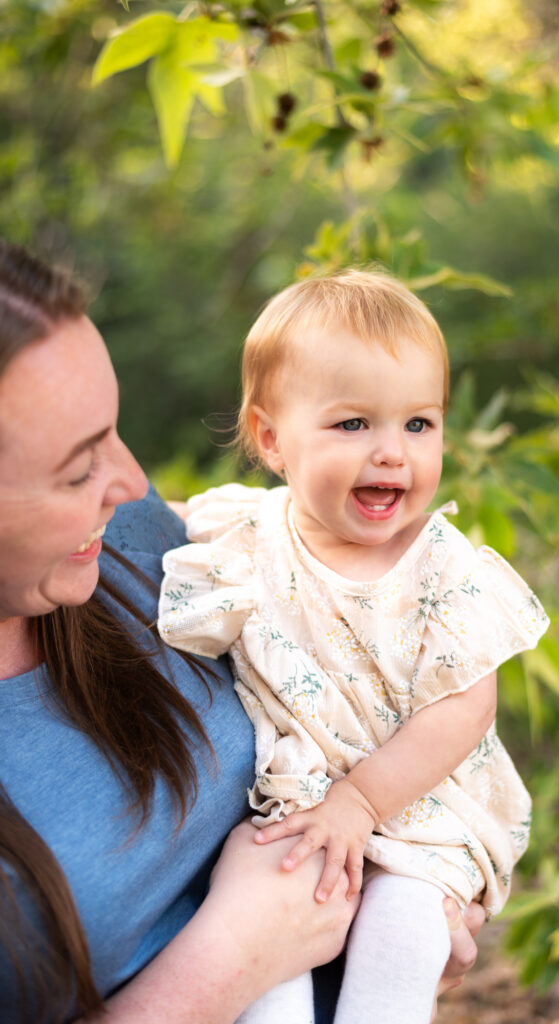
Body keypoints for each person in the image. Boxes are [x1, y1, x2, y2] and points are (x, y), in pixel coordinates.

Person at [0, 242, 482, 1024]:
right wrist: (233, 962)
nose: (131, 484)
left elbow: (413, 691)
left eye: (115, 435)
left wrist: (410, 885)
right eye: (76, 468)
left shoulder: (129, 541)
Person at [158, 270, 550, 1024]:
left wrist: (361, 804)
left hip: (419, 809)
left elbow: (465, 709)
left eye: (418, 424)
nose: (391, 454)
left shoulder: (441, 567)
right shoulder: (249, 532)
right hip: (296, 811)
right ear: (271, 438)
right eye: (352, 425)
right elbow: (145, 511)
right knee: (260, 973)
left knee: (399, 940)